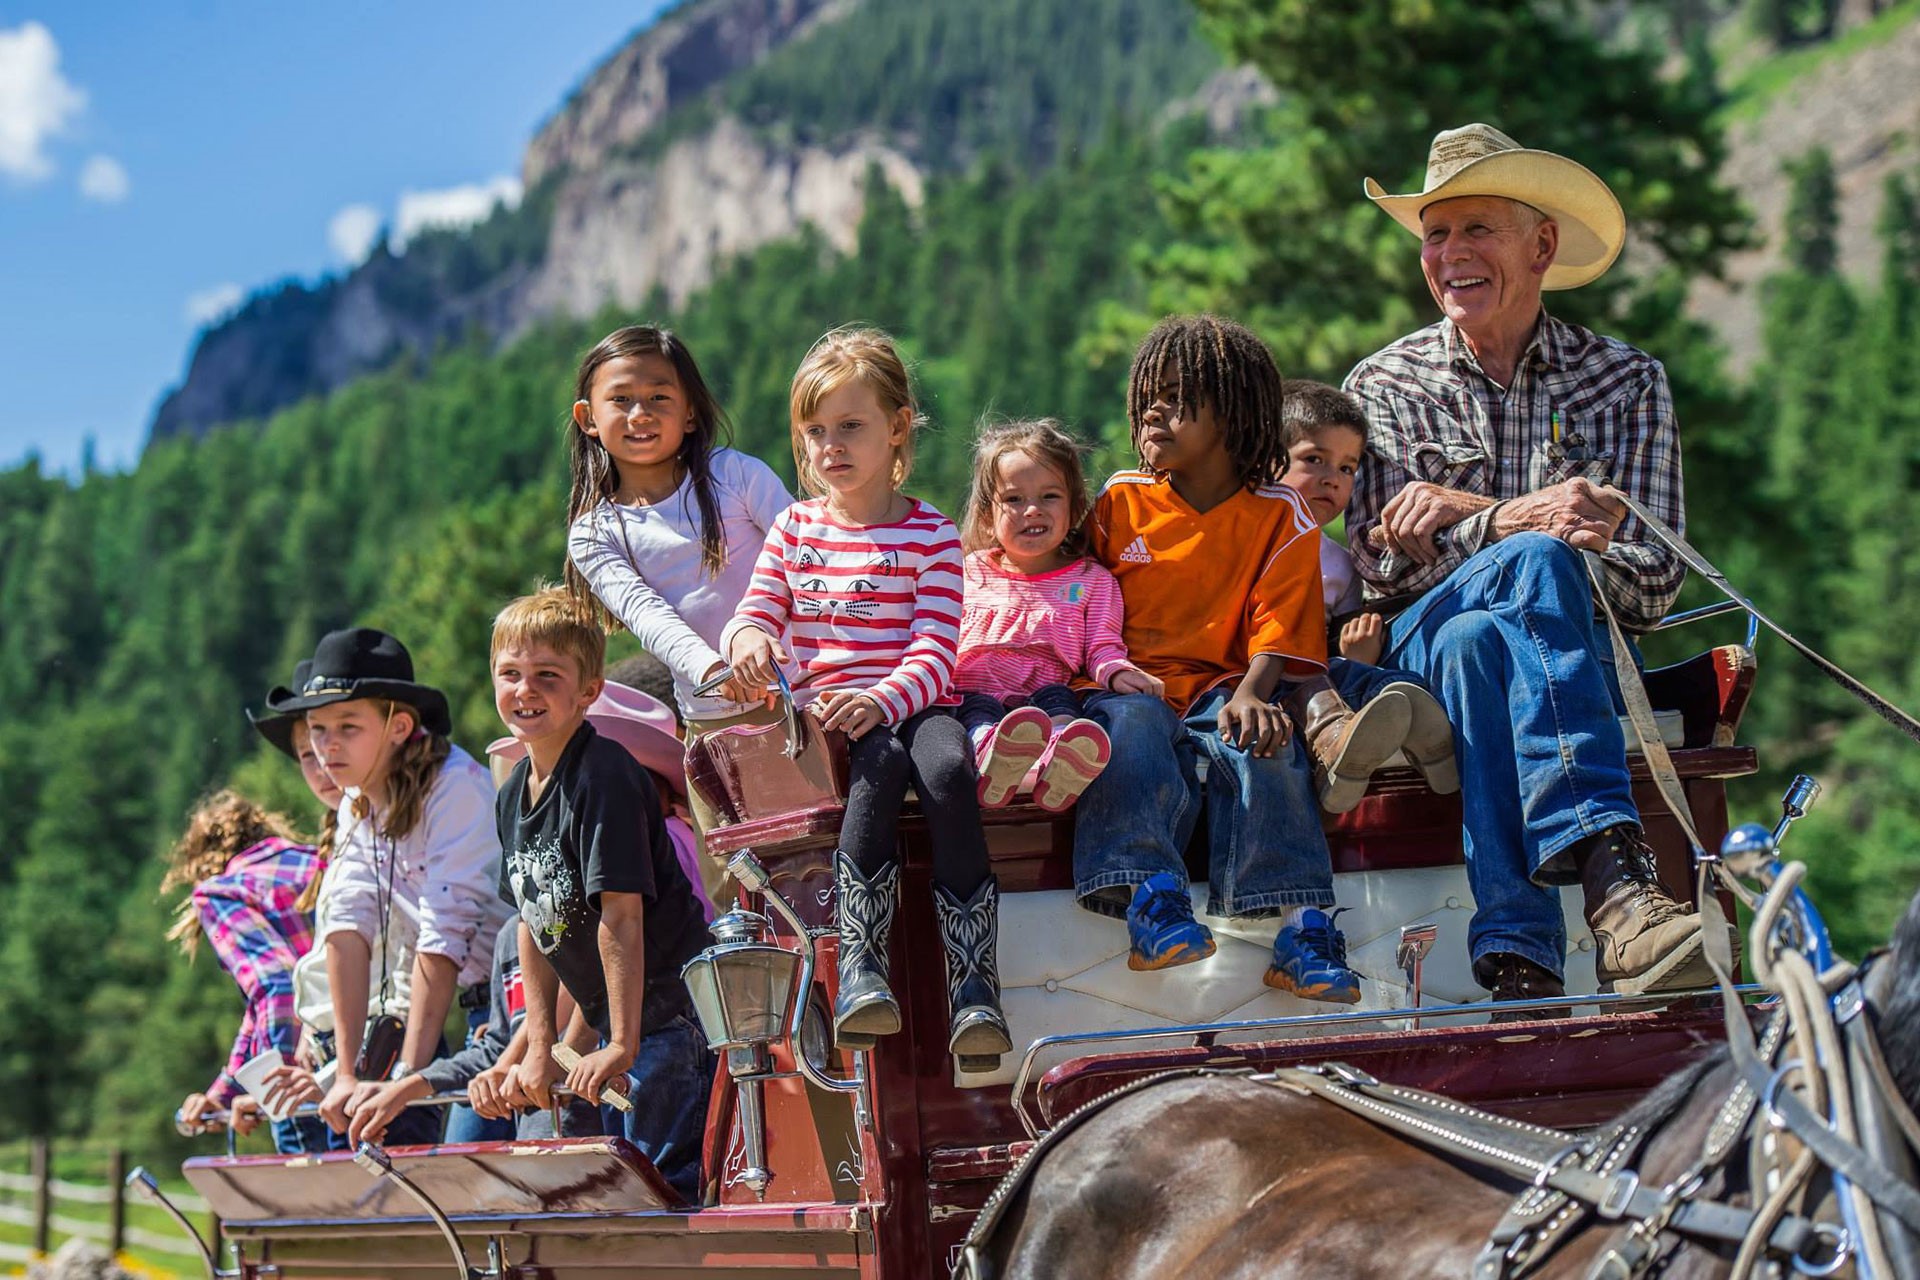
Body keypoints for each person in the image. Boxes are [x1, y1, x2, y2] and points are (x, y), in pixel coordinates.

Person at [1343, 123, 1703, 1012]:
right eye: (1435, 234)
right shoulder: (1382, 388)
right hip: (1410, 654)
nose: (1450, 254)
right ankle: (1617, 882)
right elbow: (1385, 574)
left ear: (1541, 245)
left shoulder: (1626, 383)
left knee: (1481, 642)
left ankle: (1520, 955)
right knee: (1532, 566)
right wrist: (1516, 520)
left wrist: (1470, 520)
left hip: (1519, 654)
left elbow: (1655, 582)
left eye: (1477, 230)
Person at [1071, 314, 1406, 1005]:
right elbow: (1071, 595)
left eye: (1174, 397)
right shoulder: (1118, 502)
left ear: (1230, 413)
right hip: (1126, 684)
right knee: (1130, 728)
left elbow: (1280, 621)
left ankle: (1302, 929)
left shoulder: (1281, 514)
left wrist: (1257, 693)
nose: (1152, 413)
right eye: (1149, 398)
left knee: (1266, 743)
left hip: (1226, 685)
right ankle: (1151, 900)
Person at [721, 327, 1012, 1071]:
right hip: (830, 721)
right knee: (877, 766)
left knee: (947, 770)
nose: (830, 447)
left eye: (850, 427)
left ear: (897, 428)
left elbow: (935, 646)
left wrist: (886, 696)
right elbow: (756, 613)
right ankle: (861, 969)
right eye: (814, 432)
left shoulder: (931, 534)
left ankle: (974, 982)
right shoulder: (793, 529)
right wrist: (748, 640)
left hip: (915, 700)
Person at [490, 588, 714, 1201]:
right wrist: (539, 1048)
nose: (525, 690)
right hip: (620, 1026)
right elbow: (533, 925)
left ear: (588, 690)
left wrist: (620, 1040)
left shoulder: (605, 774)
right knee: (613, 1198)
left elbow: (620, 913)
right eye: (510, 674)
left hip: (668, 1015)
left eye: (547, 676)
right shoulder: (514, 795)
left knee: (660, 1195)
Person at [562, 324, 792, 905]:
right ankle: (756, 998)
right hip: (712, 720)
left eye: (660, 397)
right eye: (621, 399)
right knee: (735, 884)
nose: (641, 413)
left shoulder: (736, 475)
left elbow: (804, 558)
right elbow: (649, 617)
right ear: (588, 418)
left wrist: (764, 648)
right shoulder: (595, 531)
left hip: (799, 698)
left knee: (813, 854)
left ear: (690, 412)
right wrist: (719, 672)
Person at [260, 628, 511, 1147]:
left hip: (497, 1013)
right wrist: (349, 1073)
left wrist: (404, 1082)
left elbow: (444, 937)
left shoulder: (456, 787)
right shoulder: (358, 800)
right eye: (317, 728)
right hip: (429, 1013)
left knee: (467, 1166)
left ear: (398, 726)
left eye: (348, 727)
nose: (327, 747)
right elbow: (346, 929)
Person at [952, 419, 1163, 811]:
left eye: (1049, 496)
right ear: (986, 515)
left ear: (1075, 507)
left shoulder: (1091, 581)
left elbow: (1102, 648)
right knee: (976, 720)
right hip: (974, 692)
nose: (1032, 510)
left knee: (1063, 712)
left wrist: (1120, 673)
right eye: (1013, 500)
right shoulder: (967, 571)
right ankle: (995, 760)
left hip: (1045, 692)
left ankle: (1057, 766)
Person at [1277, 380, 1458, 805]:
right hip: (1269, 681)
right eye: (1314, 460)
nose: (1331, 480)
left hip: (1321, 673)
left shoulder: (1340, 564)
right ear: (1269, 462)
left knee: (1390, 682)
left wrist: (1358, 654)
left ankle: (1436, 753)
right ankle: (1346, 758)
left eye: (1346, 468)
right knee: (1337, 680)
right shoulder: (1245, 539)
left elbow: (1339, 641)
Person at [165, 788, 328, 1155]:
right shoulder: (319, 861)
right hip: (372, 1063)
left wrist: (270, 1090)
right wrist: (225, 1093)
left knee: (322, 1206)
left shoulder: (222, 893)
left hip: (301, 1081)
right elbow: (262, 1008)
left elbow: (279, 988)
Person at [346, 918, 601, 1145]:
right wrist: (401, 1089)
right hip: (532, 1139)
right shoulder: (510, 936)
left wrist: (509, 1062)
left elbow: (590, 995)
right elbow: (496, 1047)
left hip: (591, 1136)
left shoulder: (590, 917)